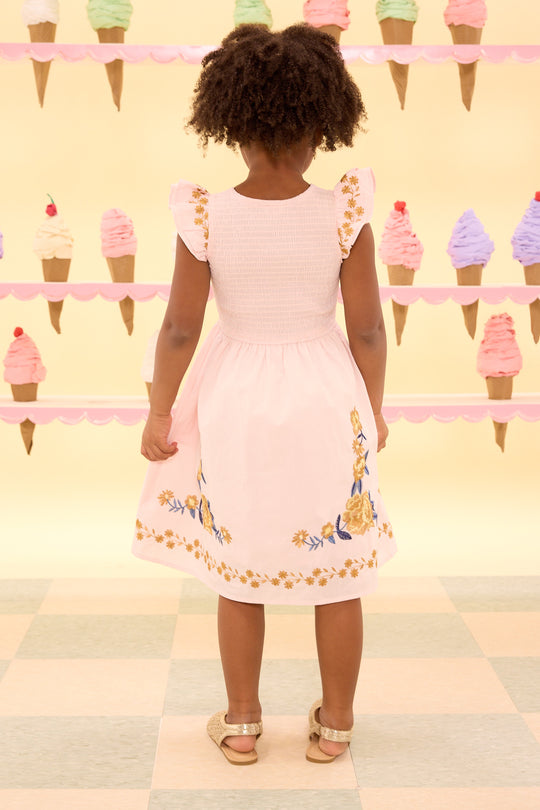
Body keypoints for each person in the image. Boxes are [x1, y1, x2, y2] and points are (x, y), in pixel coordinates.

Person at [135, 22, 396, 765]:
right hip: (325, 392)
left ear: (233, 124)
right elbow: (367, 327)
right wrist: (373, 409)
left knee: (237, 567)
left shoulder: (205, 216)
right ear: (321, 126)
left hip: (236, 395)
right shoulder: (344, 212)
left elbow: (180, 329)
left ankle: (244, 724)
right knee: (339, 572)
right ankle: (335, 725)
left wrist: (160, 411)